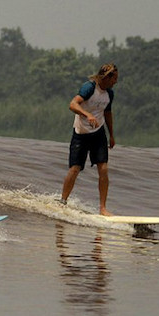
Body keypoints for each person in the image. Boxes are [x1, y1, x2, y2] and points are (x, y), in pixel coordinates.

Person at [60, 63, 118, 215]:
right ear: (107, 77)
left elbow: (107, 113)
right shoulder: (89, 88)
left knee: (103, 169)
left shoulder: (109, 94)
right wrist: (87, 114)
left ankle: (103, 208)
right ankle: (63, 201)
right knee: (75, 168)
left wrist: (111, 134)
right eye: (114, 78)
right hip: (81, 133)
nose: (116, 82)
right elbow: (72, 104)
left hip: (98, 133)